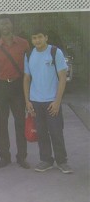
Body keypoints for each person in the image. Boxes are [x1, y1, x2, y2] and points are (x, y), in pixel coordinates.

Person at [24, 28, 73, 174]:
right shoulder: (29, 54)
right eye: (34, 38)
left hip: (52, 101)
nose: (37, 40)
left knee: (56, 132)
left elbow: (63, 77)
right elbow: (26, 79)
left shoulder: (55, 52)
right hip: (35, 101)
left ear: (46, 37)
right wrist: (27, 101)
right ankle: (46, 160)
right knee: (41, 132)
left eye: (40, 37)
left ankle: (62, 161)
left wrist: (57, 101)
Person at [0, 15, 30, 169]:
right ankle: (4, 157)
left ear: (12, 25)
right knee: (1, 123)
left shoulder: (24, 44)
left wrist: (28, 93)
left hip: (18, 87)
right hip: (1, 87)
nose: (5, 26)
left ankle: (21, 157)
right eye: (2, 24)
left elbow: (29, 69)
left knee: (20, 122)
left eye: (7, 23)